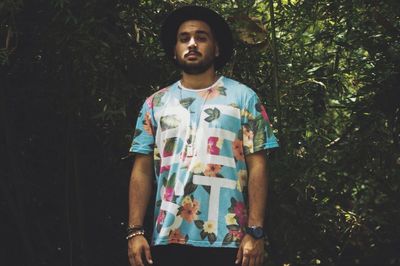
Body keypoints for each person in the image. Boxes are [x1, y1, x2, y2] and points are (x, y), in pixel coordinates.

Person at [127, 5, 279, 266]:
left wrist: (255, 231)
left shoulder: (243, 98)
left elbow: (258, 166)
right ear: (174, 51)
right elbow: (141, 170)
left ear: (217, 49)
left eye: (202, 37)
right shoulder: (155, 104)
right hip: (168, 237)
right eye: (184, 38)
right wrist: (135, 231)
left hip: (230, 239)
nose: (192, 43)